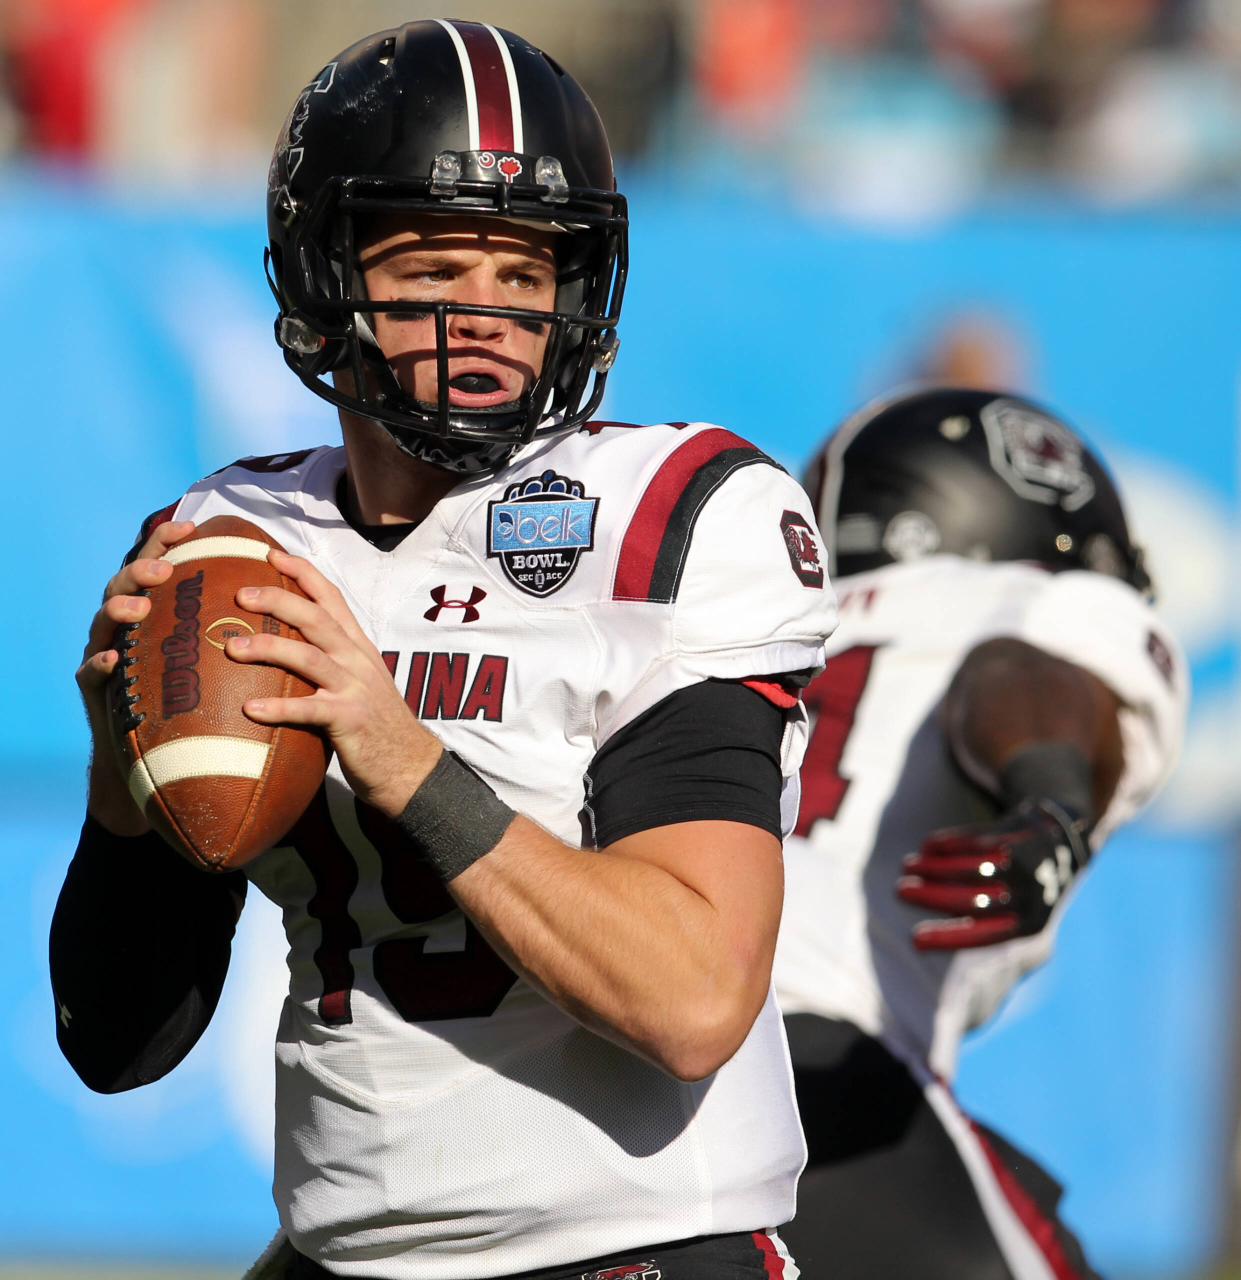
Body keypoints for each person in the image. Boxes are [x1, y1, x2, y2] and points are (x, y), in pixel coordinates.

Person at [49, 22, 835, 1280]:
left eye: (524, 273)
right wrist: (122, 787)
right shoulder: (230, 539)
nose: (485, 315)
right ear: (324, 274)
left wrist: (404, 756)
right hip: (343, 1250)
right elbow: (118, 1040)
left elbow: (691, 1000)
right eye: (431, 268)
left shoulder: (670, 515)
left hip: (630, 1247)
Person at [772, 386, 1187, 1279]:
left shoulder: (744, 636)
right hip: (812, 1071)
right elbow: (1019, 668)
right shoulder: (1030, 603)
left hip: (587, 1066)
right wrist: (1050, 799)